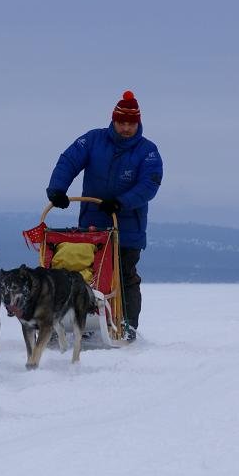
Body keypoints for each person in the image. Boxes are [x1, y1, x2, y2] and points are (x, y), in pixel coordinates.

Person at [45, 90, 163, 341]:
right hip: (91, 228)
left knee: (124, 277)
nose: (126, 128)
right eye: (122, 122)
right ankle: (85, 324)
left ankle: (127, 325)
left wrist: (121, 203)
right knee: (86, 276)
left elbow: (149, 185)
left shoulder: (148, 151)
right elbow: (69, 161)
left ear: (138, 123)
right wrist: (58, 190)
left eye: (131, 123)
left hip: (127, 229)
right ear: (114, 120)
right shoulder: (93, 140)